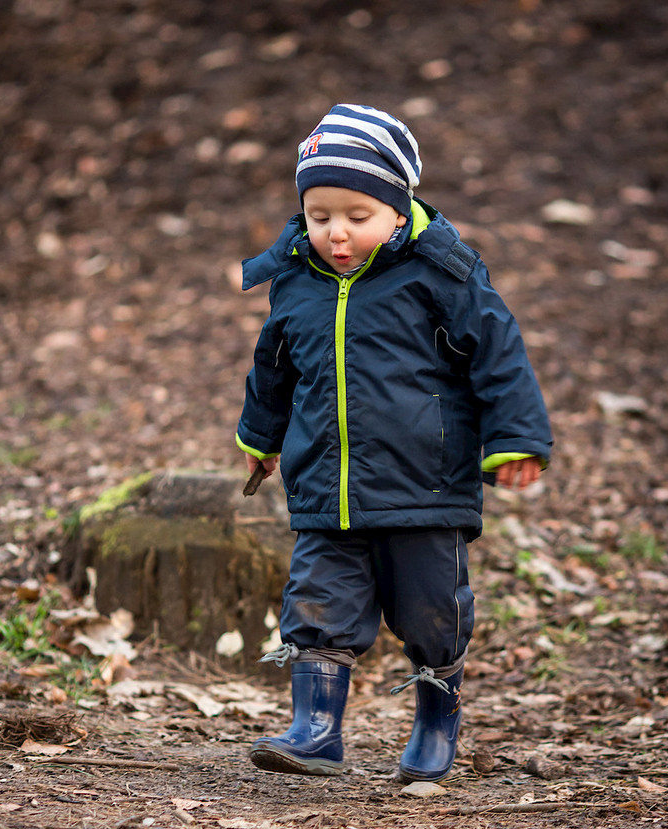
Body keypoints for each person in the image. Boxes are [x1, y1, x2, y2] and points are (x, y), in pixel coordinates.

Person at [236, 103, 552, 782]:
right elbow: (273, 368)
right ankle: (314, 729)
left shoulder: (441, 272)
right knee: (315, 607)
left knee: (430, 616)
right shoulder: (295, 277)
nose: (335, 234)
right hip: (327, 486)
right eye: (319, 216)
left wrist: (516, 438)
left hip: (424, 487)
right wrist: (260, 438)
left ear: (398, 205)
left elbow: (498, 354)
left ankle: (436, 723)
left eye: (356, 216)